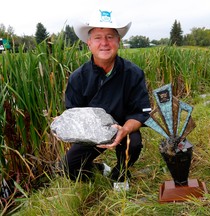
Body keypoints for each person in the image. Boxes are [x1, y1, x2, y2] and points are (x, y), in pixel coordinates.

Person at [63, 8, 151, 184]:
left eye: (110, 37)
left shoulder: (133, 73)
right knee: (67, 167)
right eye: (98, 37)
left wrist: (125, 129)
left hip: (123, 128)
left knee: (132, 144)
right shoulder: (78, 77)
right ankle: (99, 169)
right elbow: (74, 114)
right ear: (89, 43)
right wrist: (66, 124)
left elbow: (141, 112)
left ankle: (120, 175)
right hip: (92, 133)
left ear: (118, 41)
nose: (104, 43)